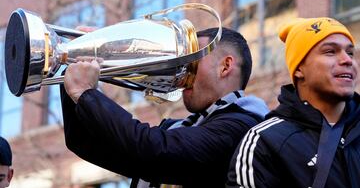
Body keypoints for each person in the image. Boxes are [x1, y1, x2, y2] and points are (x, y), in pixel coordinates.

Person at [60, 27, 269, 188]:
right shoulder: (176, 128)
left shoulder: (242, 128)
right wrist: (73, 63)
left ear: (225, 66)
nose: (181, 71)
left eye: (192, 61)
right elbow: (85, 142)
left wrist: (87, 94)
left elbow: (154, 149)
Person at [227, 17, 360, 188]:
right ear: (298, 69)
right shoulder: (265, 141)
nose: (347, 60)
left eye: (350, 52)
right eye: (330, 51)